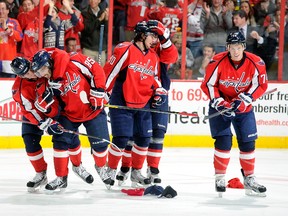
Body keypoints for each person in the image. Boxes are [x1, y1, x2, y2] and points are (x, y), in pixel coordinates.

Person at [31, 48, 110, 191]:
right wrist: (48, 109)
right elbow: (55, 107)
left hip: (92, 110)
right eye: (38, 72)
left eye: (43, 69)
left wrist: (98, 90)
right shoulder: (45, 82)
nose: (42, 74)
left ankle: (100, 167)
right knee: (60, 143)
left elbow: (96, 69)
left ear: (49, 63)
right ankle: (61, 178)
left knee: (101, 145)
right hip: (69, 115)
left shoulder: (74, 60)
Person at [200, 31, 268, 196]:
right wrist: (220, 103)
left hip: (243, 107)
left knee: (248, 143)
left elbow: (261, 85)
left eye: (239, 47)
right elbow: (208, 85)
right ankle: (220, 177)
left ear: (243, 47)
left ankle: (249, 178)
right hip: (221, 105)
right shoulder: (217, 61)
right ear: (227, 47)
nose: (236, 51)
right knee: (223, 141)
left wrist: (247, 99)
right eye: (232, 47)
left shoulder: (256, 62)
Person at [115, 19, 178, 185]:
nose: (155, 39)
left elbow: (172, 56)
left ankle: (152, 168)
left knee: (157, 133)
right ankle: (126, 167)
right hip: (139, 92)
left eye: (157, 36)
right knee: (133, 133)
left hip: (159, 93)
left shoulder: (159, 46)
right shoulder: (137, 47)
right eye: (153, 35)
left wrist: (164, 37)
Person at [103, 21, 166, 188]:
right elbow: (109, 72)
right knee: (121, 138)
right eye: (152, 36)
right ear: (142, 35)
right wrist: (102, 94)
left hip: (143, 102)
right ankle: (110, 170)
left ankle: (136, 171)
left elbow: (154, 77)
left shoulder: (152, 55)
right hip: (122, 101)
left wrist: (158, 90)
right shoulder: (125, 49)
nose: (155, 39)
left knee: (144, 138)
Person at [10, 57, 59, 192]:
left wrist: (52, 115)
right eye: (26, 73)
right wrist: (40, 122)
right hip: (33, 115)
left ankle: (70, 170)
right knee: (30, 142)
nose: (32, 74)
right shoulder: (18, 89)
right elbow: (28, 110)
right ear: (20, 75)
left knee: (64, 138)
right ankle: (41, 173)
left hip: (52, 108)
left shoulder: (41, 69)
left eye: (31, 69)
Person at [0, 0, 23, 77]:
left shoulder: (14, 22)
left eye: (3, 9)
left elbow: (19, 37)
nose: (0, 11)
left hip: (8, 61)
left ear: (7, 10)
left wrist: (7, 29)